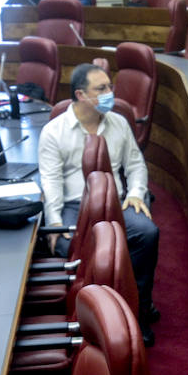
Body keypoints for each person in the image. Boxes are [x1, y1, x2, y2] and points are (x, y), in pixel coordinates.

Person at [38, 63, 160, 344]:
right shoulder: (54, 132)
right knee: (78, 249)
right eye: (101, 89)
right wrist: (54, 222)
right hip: (73, 207)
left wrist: (136, 194)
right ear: (81, 95)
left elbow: (135, 166)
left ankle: (138, 311)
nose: (110, 94)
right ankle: (98, 320)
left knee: (147, 233)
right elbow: (51, 182)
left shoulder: (118, 123)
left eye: (110, 87)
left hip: (115, 202)